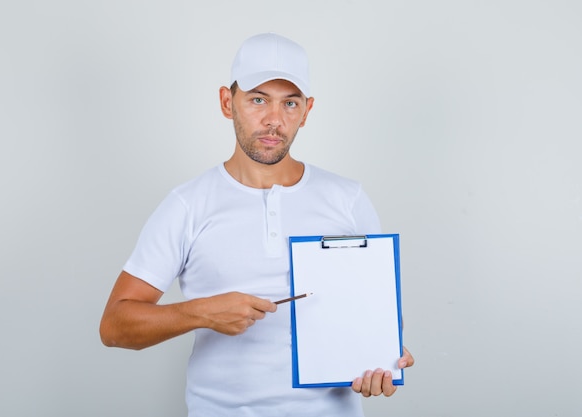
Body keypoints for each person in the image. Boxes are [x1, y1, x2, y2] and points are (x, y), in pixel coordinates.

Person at [100, 32, 414, 417]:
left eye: (290, 103)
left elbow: (377, 317)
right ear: (226, 102)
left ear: (307, 110)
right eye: (258, 99)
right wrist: (200, 312)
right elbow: (114, 325)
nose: (273, 121)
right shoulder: (187, 205)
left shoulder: (348, 200)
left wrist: (382, 359)